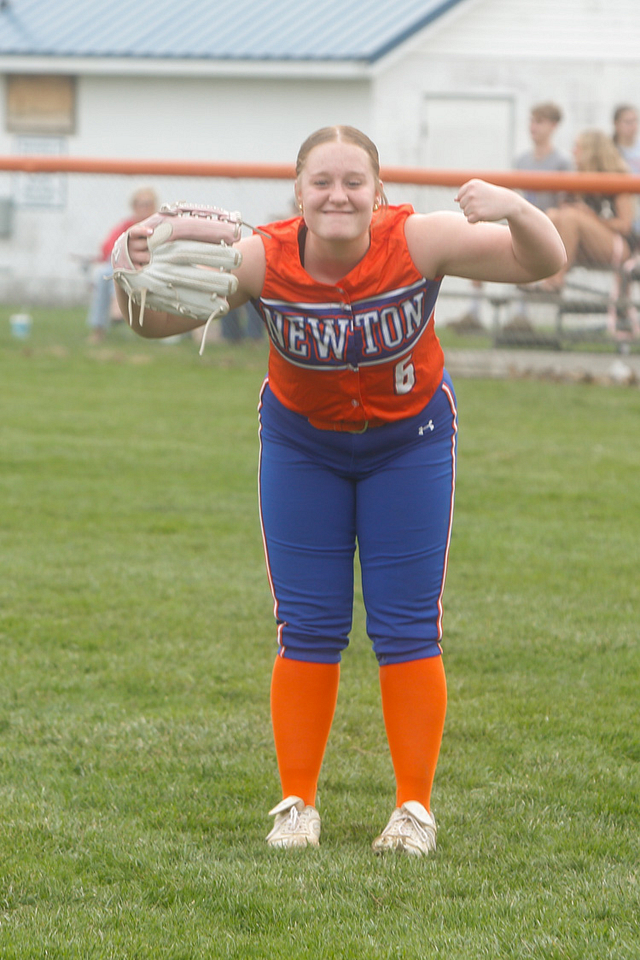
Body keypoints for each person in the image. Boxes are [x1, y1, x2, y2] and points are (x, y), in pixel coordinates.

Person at [114, 126, 565, 855]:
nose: (338, 195)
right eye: (321, 181)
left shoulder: (418, 240)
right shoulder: (262, 256)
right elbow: (153, 324)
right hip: (304, 448)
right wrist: (129, 274)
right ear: (298, 192)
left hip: (410, 443)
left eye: (354, 181)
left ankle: (413, 808)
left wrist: (516, 207)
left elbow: (543, 260)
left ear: (378, 191)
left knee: (407, 626)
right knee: (308, 625)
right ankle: (297, 804)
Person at [457, 102, 570, 328]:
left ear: (553, 126)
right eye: (532, 121)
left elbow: (564, 205)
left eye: (539, 121)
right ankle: (473, 311)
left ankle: (521, 316)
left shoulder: (562, 162)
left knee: (527, 255)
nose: (533, 127)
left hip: (545, 227)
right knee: (479, 237)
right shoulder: (522, 160)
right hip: (518, 222)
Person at [529, 129, 635, 291]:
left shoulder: (618, 179)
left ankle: (554, 283)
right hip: (584, 245)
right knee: (553, 215)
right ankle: (531, 275)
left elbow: (625, 226)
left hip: (619, 246)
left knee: (571, 217)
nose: (573, 151)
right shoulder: (578, 181)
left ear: (591, 151)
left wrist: (592, 218)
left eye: (578, 147)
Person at [86, 187, 159, 343]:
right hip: (123, 269)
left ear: (154, 206)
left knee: (117, 271)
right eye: (140, 204)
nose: (144, 208)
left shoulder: (160, 227)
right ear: (134, 207)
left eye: (148, 204)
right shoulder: (126, 226)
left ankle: (117, 308)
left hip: (150, 269)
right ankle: (99, 329)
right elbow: (107, 248)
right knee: (103, 274)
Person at [612, 103, 640, 236]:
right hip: (619, 207)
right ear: (616, 124)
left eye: (635, 121)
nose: (633, 126)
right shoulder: (610, 151)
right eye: (628, 122)